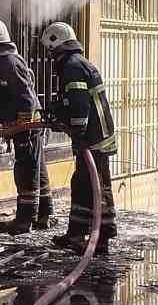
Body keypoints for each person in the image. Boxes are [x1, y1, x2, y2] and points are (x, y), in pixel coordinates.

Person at [41, 22, 120, 255]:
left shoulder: (72, 67)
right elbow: (74, 101)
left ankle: (102, 236)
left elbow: (79, 106)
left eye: (51, 50)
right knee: (83, 184)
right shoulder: (77, 64)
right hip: (96, 135)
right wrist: (57, 108)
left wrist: (78, 134)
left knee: (96, 186)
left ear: (58, 46)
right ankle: (76, 234)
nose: (50, 55)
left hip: (94, 138)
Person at [0, 19, 53, 234]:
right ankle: (44, 215)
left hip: (27, 125)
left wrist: (19, 125)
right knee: (37, 167)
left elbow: (25, 99)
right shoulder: (3, 61)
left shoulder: (8, 64)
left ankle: (25, 220)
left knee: (26, 170)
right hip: (27, 125)